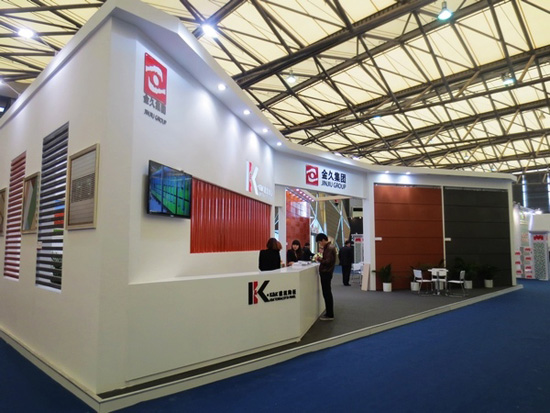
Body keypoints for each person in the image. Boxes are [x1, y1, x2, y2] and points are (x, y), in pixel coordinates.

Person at [315, 233, 336, 321]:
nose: (320, 244)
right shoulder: (329, 247)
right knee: (327, 293)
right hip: (327, 272)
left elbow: (327, 261)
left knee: (327, 293)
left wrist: (319, 259)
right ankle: (329, 312)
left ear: (323, 240)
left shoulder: (329, 248)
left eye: (320, 242)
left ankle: (329, 314)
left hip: (326, 273)